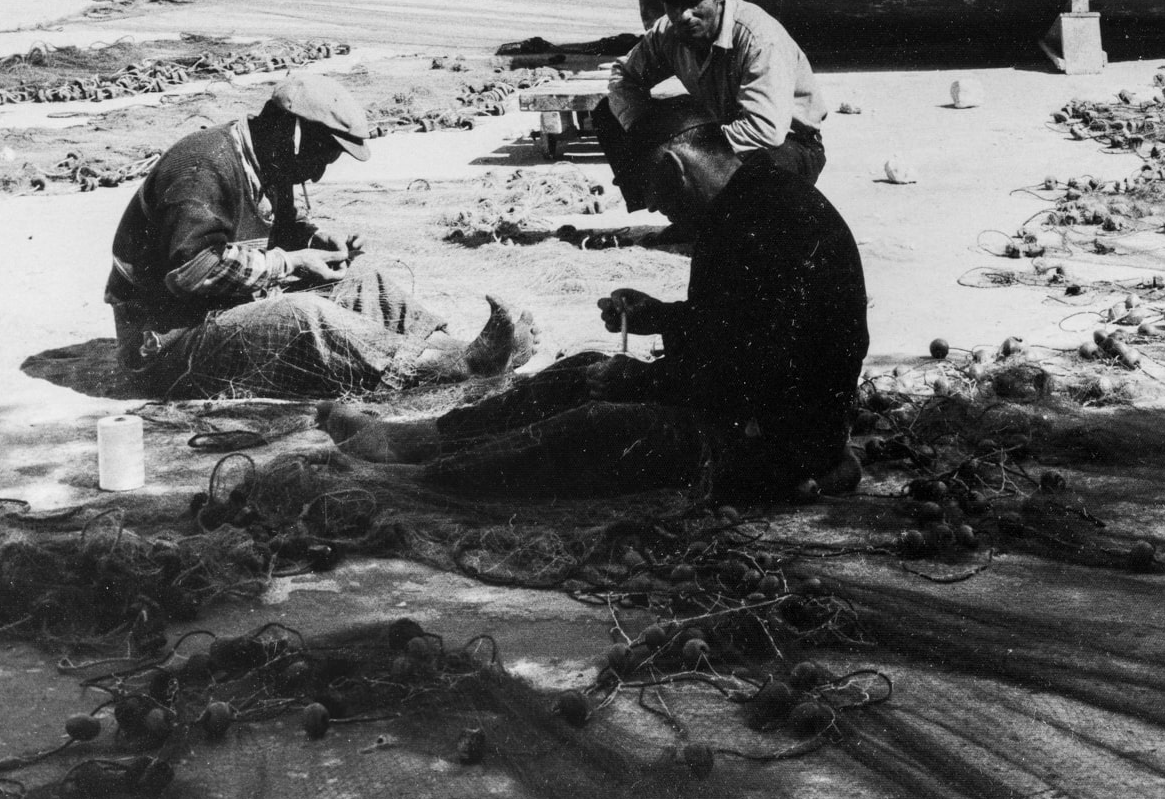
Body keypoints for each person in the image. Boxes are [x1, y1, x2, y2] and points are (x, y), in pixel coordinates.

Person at [326, 100, 867, 505]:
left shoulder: (768, 221)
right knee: (584, 370)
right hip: (754, 406)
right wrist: (660, 317)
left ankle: (430, 479)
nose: (661, 214)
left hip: (780, 440)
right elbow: (739, 326)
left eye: (658, 198)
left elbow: (764, 372)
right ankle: (422, 439)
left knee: (604, 427)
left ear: (677, 168)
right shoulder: (745, 201)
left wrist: (644, 383)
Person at [106, 74, 537, 400]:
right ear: (291, 133)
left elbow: (279, 233)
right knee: (305, 316)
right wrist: (293, 262)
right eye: (321, 155)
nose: (318, 172)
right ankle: (458, 367)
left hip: (219, 313)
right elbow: (192, 271)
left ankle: (462, 353)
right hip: (163, 345)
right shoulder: (203, 165)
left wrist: (315, 241)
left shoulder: (268, 161)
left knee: (366, 281)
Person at [596, 0, 829, 218]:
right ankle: (682, 219)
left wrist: (686, 151)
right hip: (720, 132)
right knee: (607, 113)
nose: (684, 15)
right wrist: (644, 141)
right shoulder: (667, 32)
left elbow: (765, 130)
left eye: (694, 0)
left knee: (755, 176)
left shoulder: (759, 38)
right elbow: (623, 77)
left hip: (789, 145)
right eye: (673, 4)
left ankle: (734, 228)